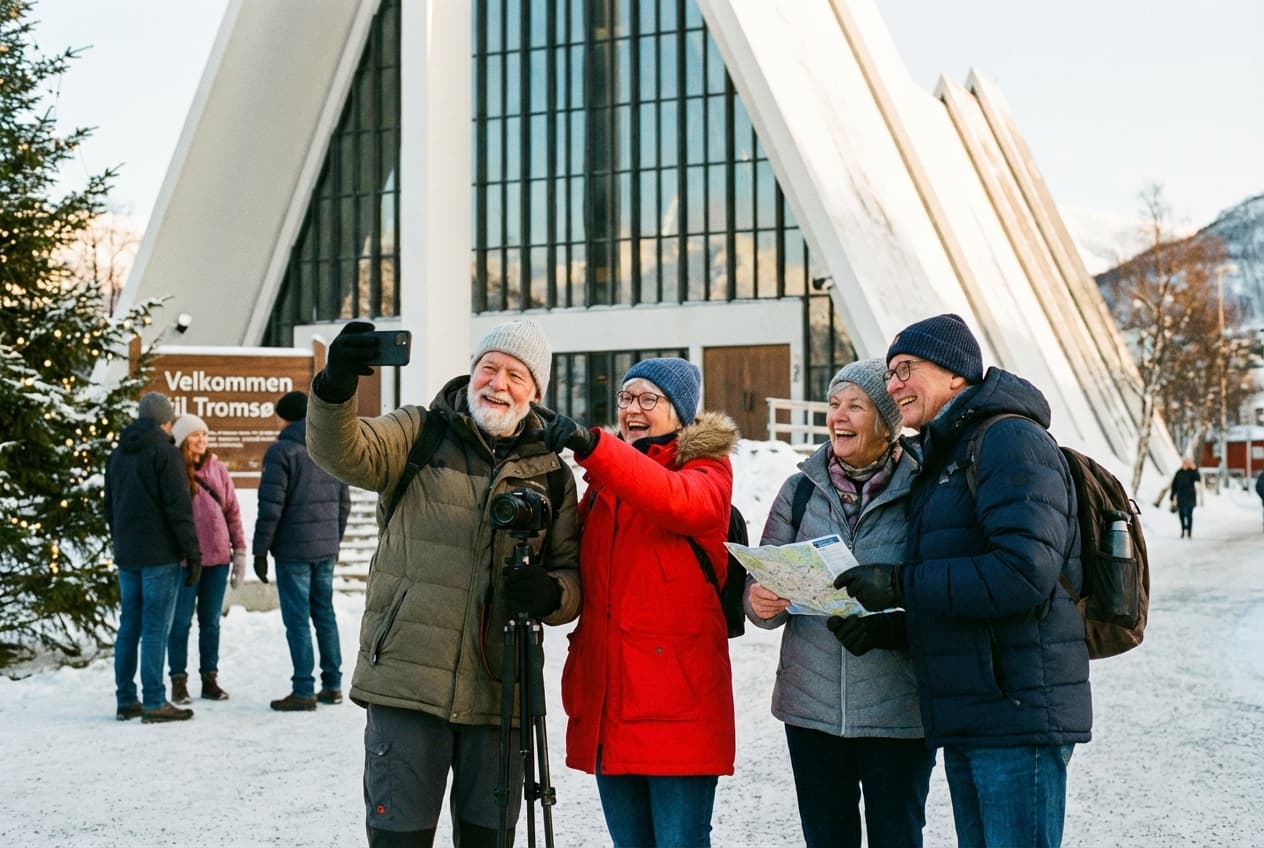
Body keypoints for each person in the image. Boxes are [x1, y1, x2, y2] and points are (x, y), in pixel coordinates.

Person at [306, 319, 581, 848]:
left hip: (500, 690)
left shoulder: (552, 472)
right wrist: (336, 384)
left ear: (536, 393)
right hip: (407, 682)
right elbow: (341, 452)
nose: (497, 383)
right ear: (472, 371)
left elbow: (572, 577)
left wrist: (552, 593)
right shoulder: (420, 431)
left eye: (515, 375)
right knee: (399, 839)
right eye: (489, 368)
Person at [835, 314, 1091, 848]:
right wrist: (893, 630)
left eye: (907, 368)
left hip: (1016, 713)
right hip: (975, 710)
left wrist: (900, 585)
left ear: (956, 374)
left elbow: (1023, 573)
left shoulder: (1008, 440)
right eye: (889, 374)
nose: (894, 384)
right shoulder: (946, 452)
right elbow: (964, 589)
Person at [539, 357, 737, 848]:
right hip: (611, 701)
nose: (633, 410)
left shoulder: (706, 469)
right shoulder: (605, 485)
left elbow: (675, 500)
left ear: (682, 413)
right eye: (627, 398)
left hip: (678, 708)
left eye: (650, 399)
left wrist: (591, 446)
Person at [747, 358, 934, 848]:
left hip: (898, 710)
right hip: (810, 708)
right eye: (834, 405)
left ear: (887, 421)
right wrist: (762, 601)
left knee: (898, 837)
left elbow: (935, 585)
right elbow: (763, 578)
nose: (839, 416)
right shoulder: (800, 490)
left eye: (856, 405)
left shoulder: (922, 490)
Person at [103, 391, 202, 723]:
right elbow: (178, 508)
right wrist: (193, 553)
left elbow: (109, 508)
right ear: (166, 420)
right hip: (160, 554)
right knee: (156, 627)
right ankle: (155, 701)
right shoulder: (165, 452)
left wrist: (121, 541)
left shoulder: (117, 454)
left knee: (129, 626)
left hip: (128, 553)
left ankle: (125, 699)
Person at [252, 390, 351, 712]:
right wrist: (335, 540)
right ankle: (333, 684)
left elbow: (271, 507)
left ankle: (303, 689)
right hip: (324, 547)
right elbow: (343, 501)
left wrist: (260, 550)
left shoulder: (281, 451)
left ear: (284, 417)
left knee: (297, 620)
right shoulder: (326, 447)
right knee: (324, 613)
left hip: (293, 550)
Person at [166, 414, 247, 704]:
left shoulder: (219, 470)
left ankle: (209, 678)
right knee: (180, 622)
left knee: (210, 622)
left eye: (205, 434)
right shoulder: (173, 469)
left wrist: (239, 552)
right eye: (195, 435)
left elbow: (233, 512)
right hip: (185, 561)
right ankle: (178, 680)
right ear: (182, 438)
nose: (202, 440)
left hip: (217, 559)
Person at [1169, 457, 1200, 538]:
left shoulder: (1192, 472)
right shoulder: (1178, 473)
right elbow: (1174, 485)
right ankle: (1183, 530)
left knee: (1189, 515)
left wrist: (1195, 469)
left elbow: (1198, 479)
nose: (1186, 464)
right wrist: (1172, 495)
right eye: (1185, 463)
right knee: (1181, 514)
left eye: (1188, 463)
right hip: (1181, 497)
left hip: (1190, 497)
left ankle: (1189, 531)